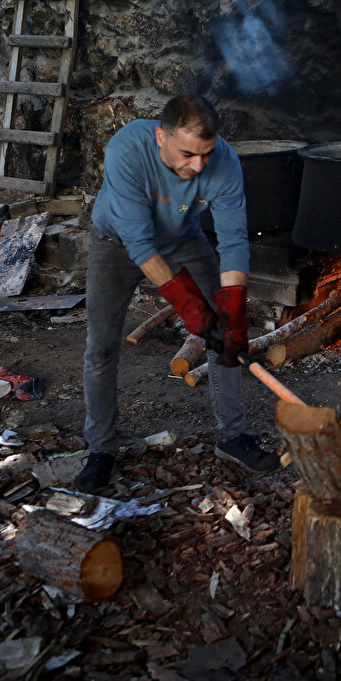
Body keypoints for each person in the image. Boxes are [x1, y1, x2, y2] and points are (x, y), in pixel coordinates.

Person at [75, 95, 277, 492]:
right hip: (117, 243)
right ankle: (100, 450)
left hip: (184, 240)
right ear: (160, 137)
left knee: (225, 331)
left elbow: (235, 241)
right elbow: (140, 246)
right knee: (100, 349)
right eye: (187, 154)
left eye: (206, 154)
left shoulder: (224, 162)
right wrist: (191, 310)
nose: (198, 166)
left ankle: (232, 436)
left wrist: (231, 312)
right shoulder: (126, 150)